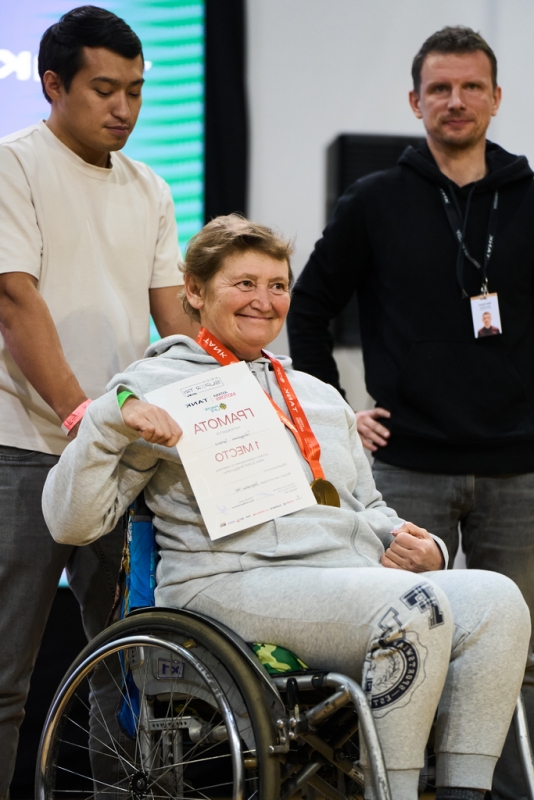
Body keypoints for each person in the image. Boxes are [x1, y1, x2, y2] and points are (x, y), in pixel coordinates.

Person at [42, 215, 530, 800]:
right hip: (227, 582)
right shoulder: (152, 387)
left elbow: (370, 507)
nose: (264, 300)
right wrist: (108, 420)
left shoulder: (319, 395)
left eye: (277, 285)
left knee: (499, 600)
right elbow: (71, 522)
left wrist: (425, 548)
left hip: (343, 580)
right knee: (412, 609)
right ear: (194, 291)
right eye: (244, 283)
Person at [287, 26, 534, 799]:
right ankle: (391, 787)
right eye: (439, 88)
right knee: (399, 644)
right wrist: (337, 415)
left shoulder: (530, 197)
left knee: (517, 655)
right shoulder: (374, 200)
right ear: (414, 100)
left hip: (520, 470)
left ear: (496, 97)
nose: (455, 101)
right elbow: (308, 308)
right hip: (404, 470)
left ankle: (500, 790)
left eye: (470, 87)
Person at [0, 5, 195, 794]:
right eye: (105, 89)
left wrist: (231, 398)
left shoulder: (150, 187)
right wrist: (85, 415)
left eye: (136, 92)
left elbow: (176, 317)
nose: (124, 108)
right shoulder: (14, 166)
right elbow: (14, 300)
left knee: (125, 668)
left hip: (122, 460)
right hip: (25, 448)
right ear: (53, 84)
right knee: (6, 675)